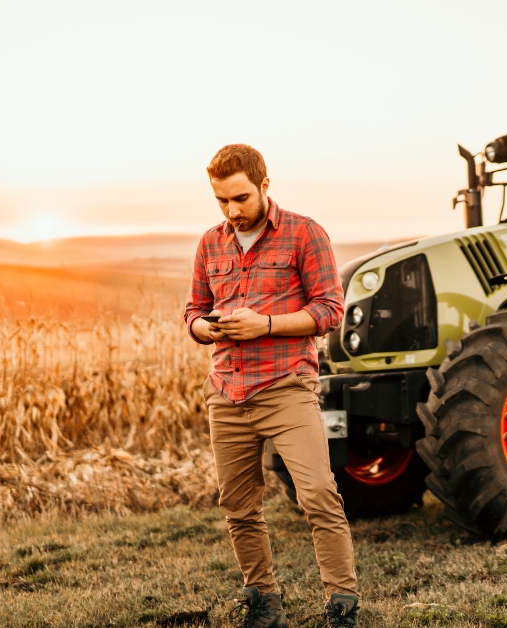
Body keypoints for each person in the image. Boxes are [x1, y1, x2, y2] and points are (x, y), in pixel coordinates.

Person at [184, 144, 359, 628]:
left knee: (318, 494)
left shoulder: (305, 233)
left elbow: (329, 310)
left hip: (286, 386)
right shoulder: (210, 243)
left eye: (240, 198)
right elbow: (193, 312)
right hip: (227, 390)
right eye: (221, 201)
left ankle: (342, 605)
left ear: (264, 185)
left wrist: (263, 325)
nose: (231, 211)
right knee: (238, 506)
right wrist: (208, 328)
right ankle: (265, 604)